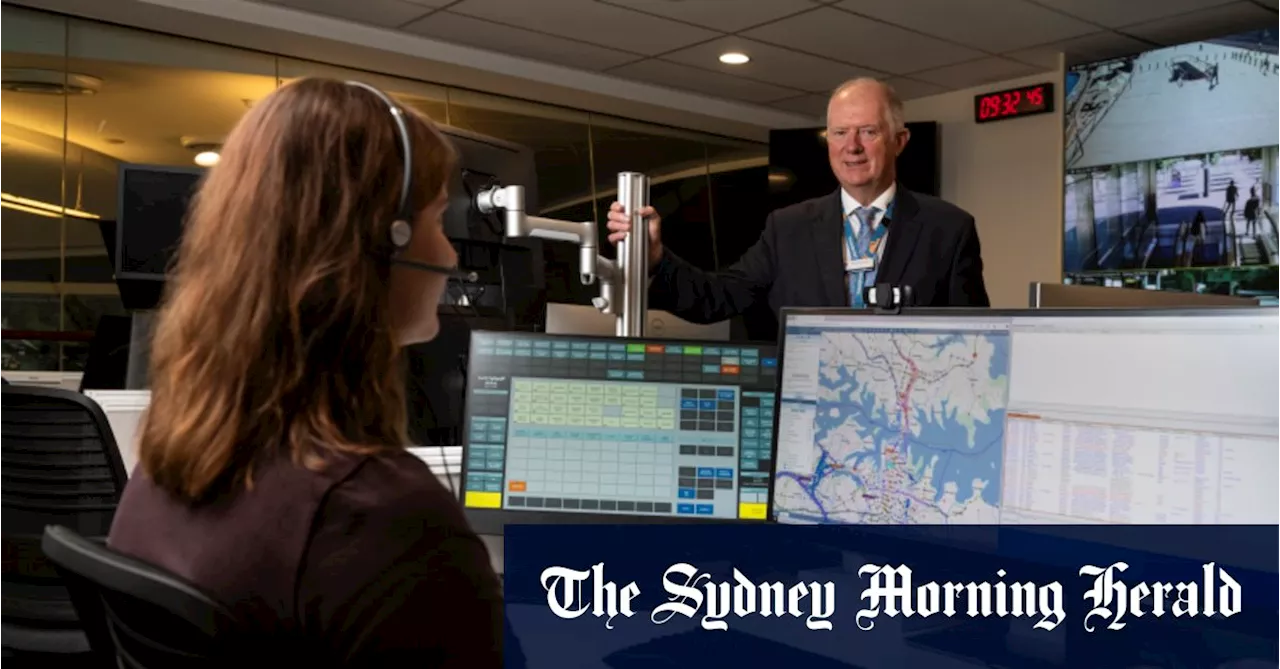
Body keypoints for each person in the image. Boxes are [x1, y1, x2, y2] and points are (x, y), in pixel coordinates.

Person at [107, 78, 506, 665]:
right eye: (438, 221)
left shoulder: (167, 466)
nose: (449, 255)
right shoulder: (384, 525)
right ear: (385, 239)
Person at [607, 78, 989, 323]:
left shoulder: (948, 229)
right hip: (809, 421)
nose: (851, 147)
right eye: (839, 133)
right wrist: (656, 257)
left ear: (899, 141)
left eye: (868, 131)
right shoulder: (787, 227)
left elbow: (977, 341)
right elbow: (716, 298)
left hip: (910, 428)